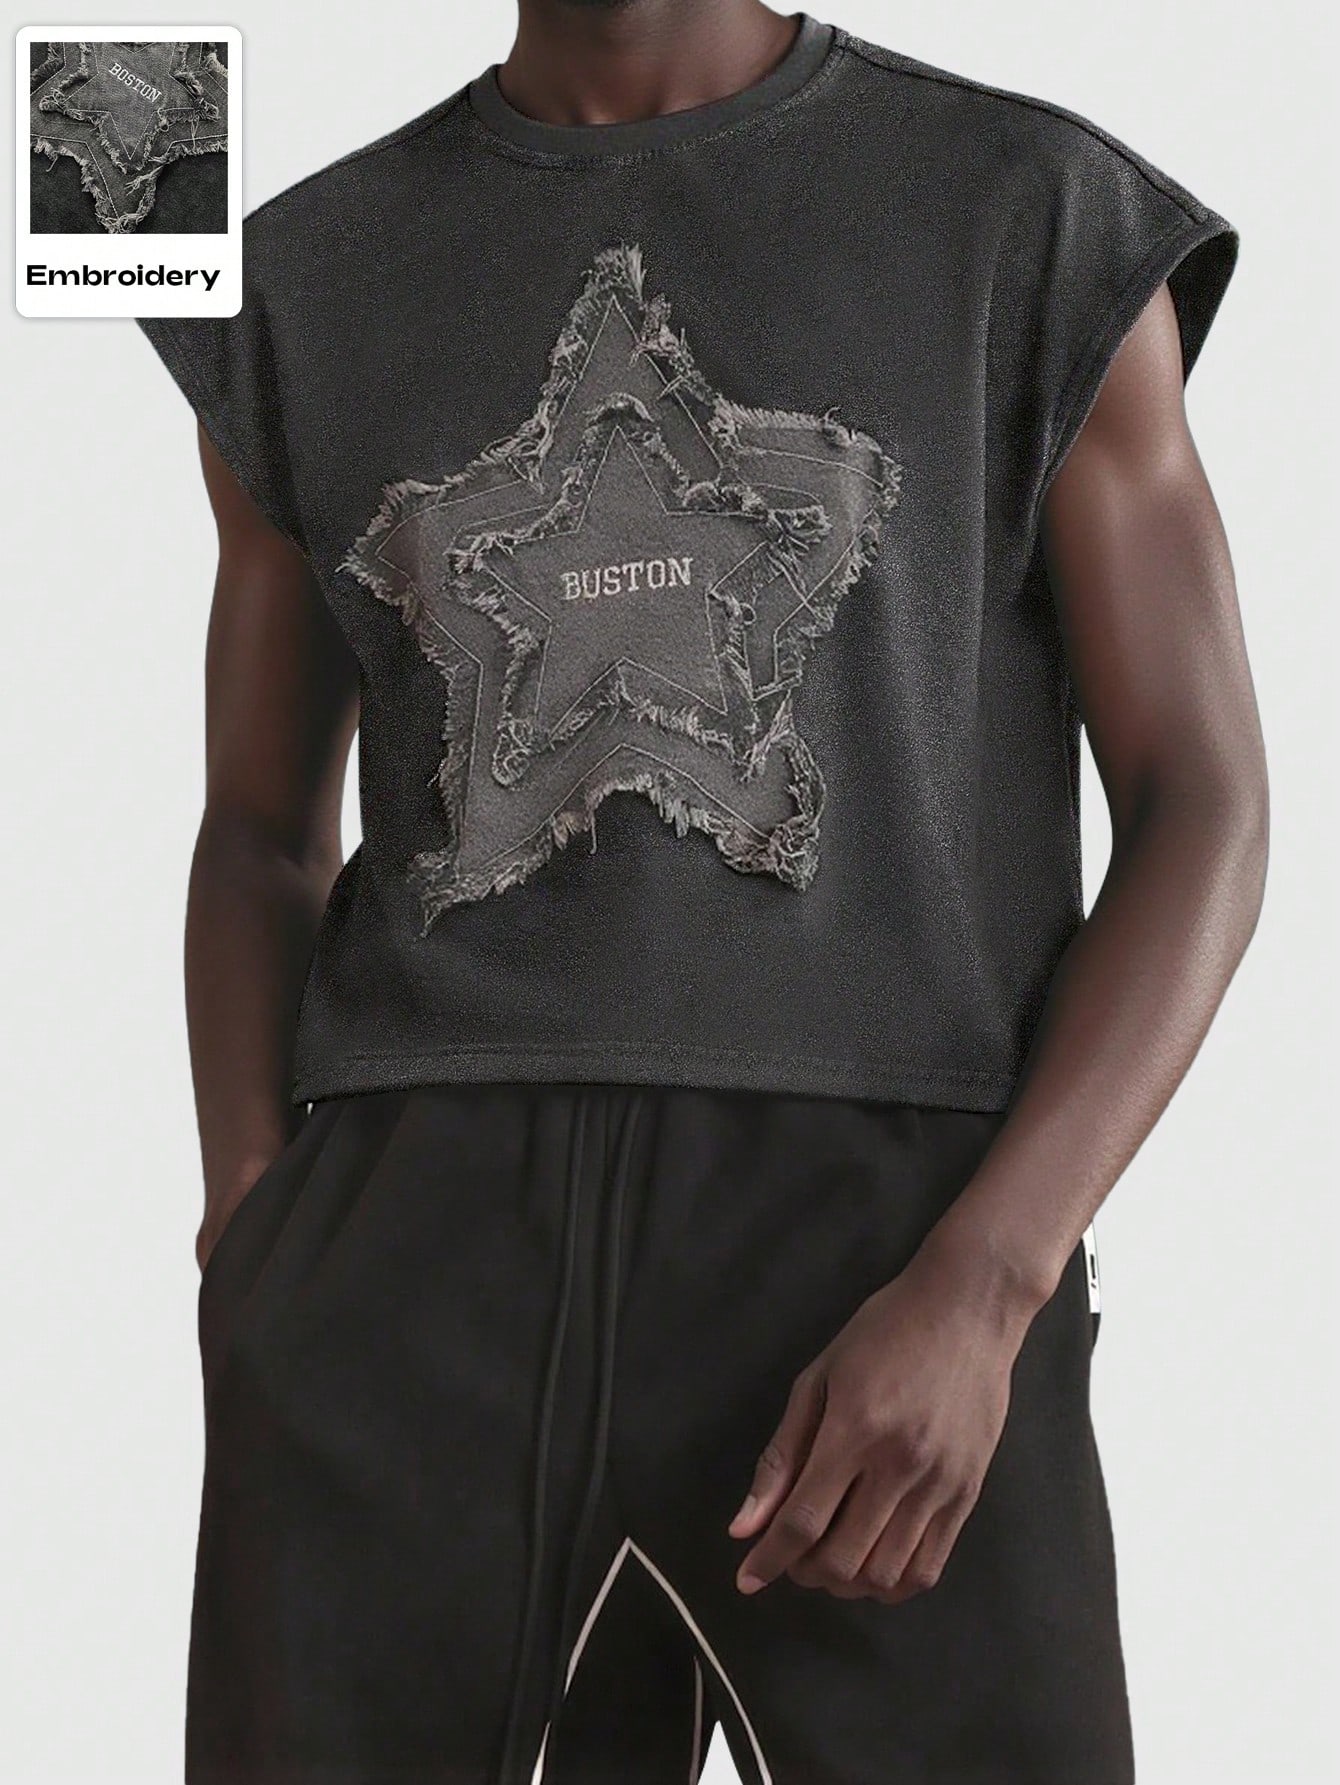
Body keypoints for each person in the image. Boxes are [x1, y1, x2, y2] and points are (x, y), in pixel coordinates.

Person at [135, 3, 1268, 1780]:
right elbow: (256, 831)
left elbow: (1205, 800)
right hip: (409, 1250)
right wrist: (251, 1241)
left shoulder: (1027, 214)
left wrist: (990, 1279)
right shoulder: (307, 272)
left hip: (888, 1239)